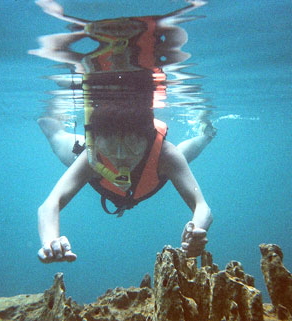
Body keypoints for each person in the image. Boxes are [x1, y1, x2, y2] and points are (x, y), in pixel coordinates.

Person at [36, 72, 216, 263]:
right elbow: (49, 205)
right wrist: (50, 241)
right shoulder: (91, 157)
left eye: (132, 142)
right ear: (96, 141)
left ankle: (206, 135)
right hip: (111, 164)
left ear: (147, 139)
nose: (121, 155)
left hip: (156, 166)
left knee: (180, 155)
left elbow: (202, 206)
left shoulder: (166, 155)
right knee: (56, 138)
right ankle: (49, 122)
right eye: (111, 144)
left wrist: (197, 229)